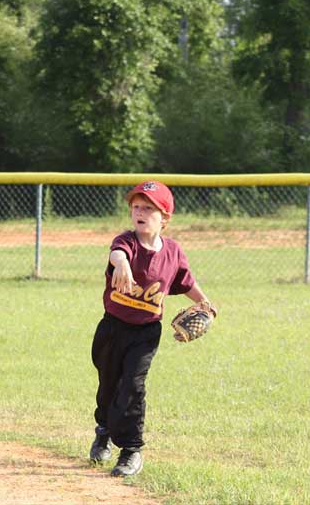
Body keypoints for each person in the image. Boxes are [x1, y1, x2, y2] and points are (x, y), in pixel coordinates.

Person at [89, 180, 216, 477]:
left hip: (145, 333)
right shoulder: (127, 242)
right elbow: (117, 253)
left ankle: (131, 450)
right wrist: (120, 265)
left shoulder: (172, 252)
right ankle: (104, 429)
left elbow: (185, 283)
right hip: (112, 328)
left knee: (133, 386)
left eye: (148, 207)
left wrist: (206, 302)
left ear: (165, 219)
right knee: (109, 386)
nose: (140, 212)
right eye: (136, 206)